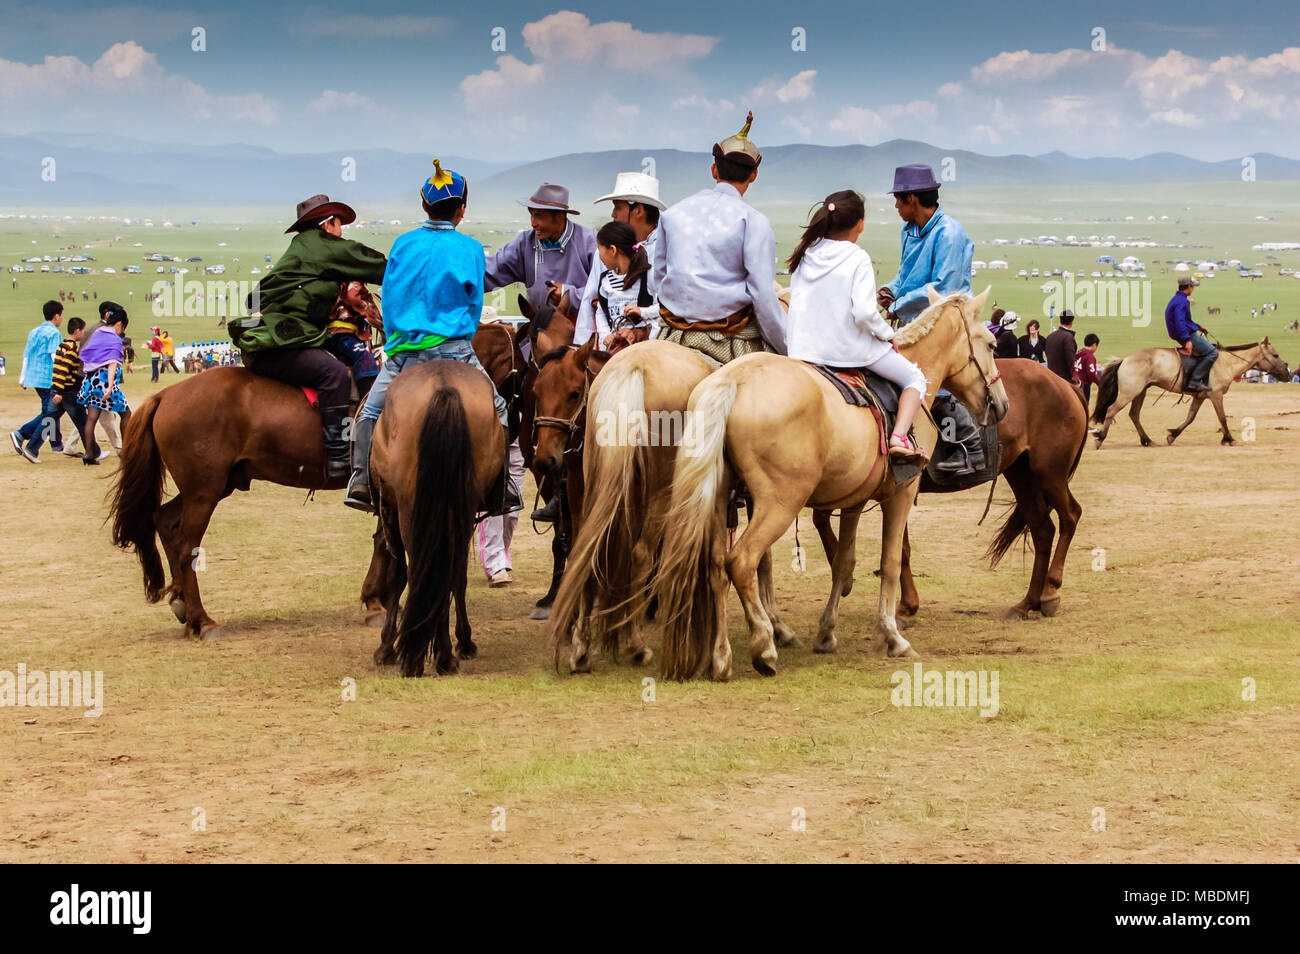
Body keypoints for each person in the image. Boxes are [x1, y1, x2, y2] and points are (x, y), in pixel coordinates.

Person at [344, 160, 516, 517]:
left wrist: (396, 341)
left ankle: (360, 480)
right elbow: (473, 305)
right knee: (499, 409)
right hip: (455, 353)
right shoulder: (469, 248)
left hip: (404, 355)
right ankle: (502, 487)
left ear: (424, 205)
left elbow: (389, 301)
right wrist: (462, 337)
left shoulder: (403, 244)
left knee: (368, 413)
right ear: (462, 209)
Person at [228, 194, 388, 479]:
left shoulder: (300, 249)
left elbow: (253, 299)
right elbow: (374, 264)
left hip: (282, 336)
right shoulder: (321, 246)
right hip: (279, 343)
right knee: (334, 374)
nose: (341, 233)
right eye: (339, 226)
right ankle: (339, 456)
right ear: (327, 224)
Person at [786, 190, 929, 464]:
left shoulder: (806, 252)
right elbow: (864, 313)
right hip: (845, 349)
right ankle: (899, 437)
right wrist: (888, 335)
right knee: (915, 379)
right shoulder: (857, 257)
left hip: (801, 349)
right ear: (860, 224)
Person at [654, 111, 787, 364]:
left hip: (671, 332)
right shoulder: (754, 221)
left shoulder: (673, 213)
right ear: (754, 175)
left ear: (714, 170)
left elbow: (659, 279)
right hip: (731, 339)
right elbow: (762, 294)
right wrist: (788, 345)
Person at [875, 163, 981, 477]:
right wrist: (888, 290)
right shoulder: (909, 229)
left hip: (949, 320)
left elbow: (942, 288)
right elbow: (907, 274)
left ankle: (969, 447)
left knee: (939, 377)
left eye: (898, 199)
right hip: (916, 322)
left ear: (913, 199)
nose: (895, 205)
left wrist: (898, 305)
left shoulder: (950, 234)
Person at [575, 171, 666, 345]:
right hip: (612, 345)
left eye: (618, 207)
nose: (613, 214)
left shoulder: (666, 250)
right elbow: (591, 303)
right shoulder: (605, 251)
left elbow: (668, 307)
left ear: (638, 210)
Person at [485, 182, 596, 313]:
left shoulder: (590, 241)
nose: (533, 223)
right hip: (539, 327)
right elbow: (490, 270)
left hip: (583, 327)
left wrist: (568, 295)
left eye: (538, 216)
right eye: (531, 215)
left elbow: (607, 290)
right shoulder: (525, 242)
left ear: (559, 216)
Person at [76, 302, 132, 466]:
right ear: (120, 324)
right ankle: (127, 451)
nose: (121, 332)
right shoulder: (114, 339)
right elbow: (113, 363)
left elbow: (86, 354)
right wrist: (109, 387)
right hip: (105, 380)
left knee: (91, 418)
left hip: (91, 380)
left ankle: (89, 455)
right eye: (122, 328)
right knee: (126, 414)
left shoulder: (98, 332)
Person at [589, 221, 658, 352]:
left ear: (613, 250)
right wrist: (606, 335)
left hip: (644, 349)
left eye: (600, 249)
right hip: (615, 350)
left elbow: (664, 308)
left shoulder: (648, 275)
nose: (599, 255)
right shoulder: (605, 281)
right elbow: (601, 313)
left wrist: (643, 312)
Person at [10, 300, 65, 463]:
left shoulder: (33, 332)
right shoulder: (54, 333)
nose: (62, 319)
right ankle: (22, 435)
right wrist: (61, 379)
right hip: (48, 378)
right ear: (56, 316)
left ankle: (56, 444)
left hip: (34, 378)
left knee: (49, 411)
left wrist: (23, 377)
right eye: (61, 315)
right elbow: (55, 357)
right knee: (50, 413)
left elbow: (27, 355)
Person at [322, 280, 381, 402]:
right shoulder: (353, 285)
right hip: (342, 334)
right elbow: (360, 305)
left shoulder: (336, 281)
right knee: (364, 357)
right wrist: (381, 324)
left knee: (348, 360)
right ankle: (366, 398)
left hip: (335, 334)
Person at [1164, 276, 1216, 392]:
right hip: (1185, 334)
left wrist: (1198, 327)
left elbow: (1185, 320)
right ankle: (1195, 381)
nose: (1193, 289)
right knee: (1213, 353)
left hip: (1181, 332)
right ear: (1188, 287)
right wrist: (1187, 339)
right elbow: (1180, 321)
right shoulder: (1182, 301)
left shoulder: (1177, 299)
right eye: (1192, 286)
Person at [50, 317, 88, 457]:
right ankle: (93, 451)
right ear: (77, 331)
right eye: (83, 330)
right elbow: (64, 370)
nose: (83, 333)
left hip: (61, 389)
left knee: (48, 417)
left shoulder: (62, 345)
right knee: (83, 423)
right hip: (67, 390)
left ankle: (31, 445)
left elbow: (58, 367)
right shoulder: (72, 349)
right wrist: (59, 391)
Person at [1045, 310, 1078, 383]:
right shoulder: (1068, 337)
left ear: (1060, 320)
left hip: (1051, 375)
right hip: (1064, 378)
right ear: (1072, 321)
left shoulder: (1050, 336)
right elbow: (1070, 359)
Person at [1072, 332, 1101, 404]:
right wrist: (1099, 383)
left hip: (1073, 382)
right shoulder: (1089, 356)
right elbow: (1091, 374)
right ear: (1094, 345)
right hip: (1084, 385)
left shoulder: (1078, 352)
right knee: (1083, 407)